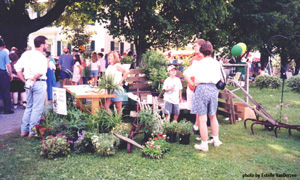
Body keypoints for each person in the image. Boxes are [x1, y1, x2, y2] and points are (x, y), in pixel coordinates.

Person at [183, 40, 224, 152]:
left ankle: (204, 144)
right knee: (213, 115)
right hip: (213, 89)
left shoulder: (198, 63)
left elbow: (185, 74)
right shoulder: (217, 63)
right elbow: (221, 79)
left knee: (202, 118)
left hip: (201, 89)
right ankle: (216, 140)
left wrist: (192, 84)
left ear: (202, 50)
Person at [15, 36, 48, 138]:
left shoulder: (26, 54)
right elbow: (41, 72)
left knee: (29, 107)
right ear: (42, 45)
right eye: (46, 44)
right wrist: (34, 78)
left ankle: (24, 130)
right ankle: (32, 132)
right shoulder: (41, 56)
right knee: (37, 108)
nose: (47, 46)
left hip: (28, 83)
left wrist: (24, 80)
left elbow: (17, 68)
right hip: (38, 82)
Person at [0, 38, 14, 114]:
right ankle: (7, 109)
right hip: (2, 73)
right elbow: (8, 64)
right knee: (5, 91)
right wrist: (10, 74)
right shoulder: (4, 53)